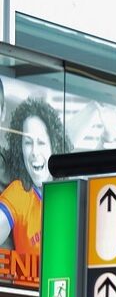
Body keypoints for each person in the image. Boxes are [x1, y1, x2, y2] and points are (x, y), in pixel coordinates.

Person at [0, 97, 68, 253]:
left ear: (54, 146)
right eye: (28, 143)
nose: (34, 152)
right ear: (20, 148)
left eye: (41, 143)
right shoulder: (19, 192)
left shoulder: (69, 193)